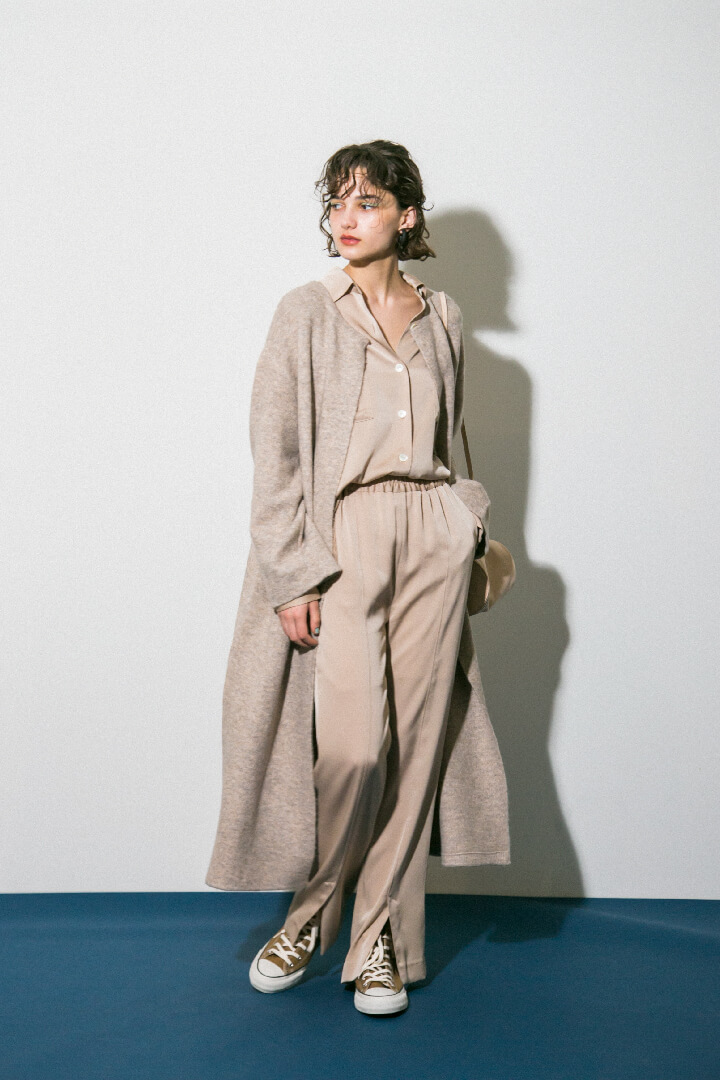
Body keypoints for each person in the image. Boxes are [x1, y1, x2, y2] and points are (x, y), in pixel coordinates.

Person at [209, 140, 510, 1016]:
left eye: (367, 202)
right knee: (351, 749)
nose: (346, 218)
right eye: (337, 202)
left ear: (406, 216)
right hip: (345, 537)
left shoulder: (442, 315)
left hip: (431, 536)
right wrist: (292, 573)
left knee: (414, 752)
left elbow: (452, 438)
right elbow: (276, 455)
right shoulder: (306, 312)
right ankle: (312, 916)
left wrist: (464, 517)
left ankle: (380, 940)